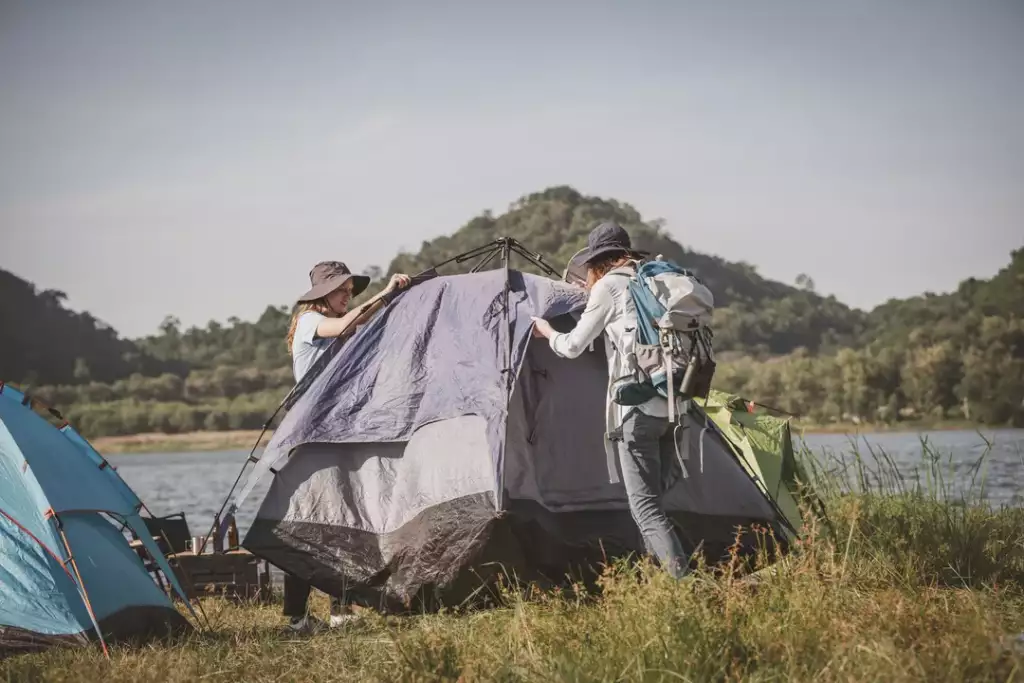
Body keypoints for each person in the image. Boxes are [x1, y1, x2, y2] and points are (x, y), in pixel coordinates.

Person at [530, 222, 690, 579]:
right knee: (655, 504)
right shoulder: (655, 282)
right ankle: (660, 581)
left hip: (636, 410)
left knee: (645, 508)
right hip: (676, 406)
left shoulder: (608, 286)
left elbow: (572, 347)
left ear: (597, 261)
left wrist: (546, 331)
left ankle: (686, 589)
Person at [282, 260, 411, 632]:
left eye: (351, 291)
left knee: (345, 521)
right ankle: (296, 619)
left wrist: (392, 304)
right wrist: (384, 293)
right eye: (341, 290)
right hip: (313, 436)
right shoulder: (312, 323)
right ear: (322, 295)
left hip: (339, 432)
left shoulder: (343, 331)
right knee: (307, 526)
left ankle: (341, 609)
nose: (348, 295)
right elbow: (343, 324)